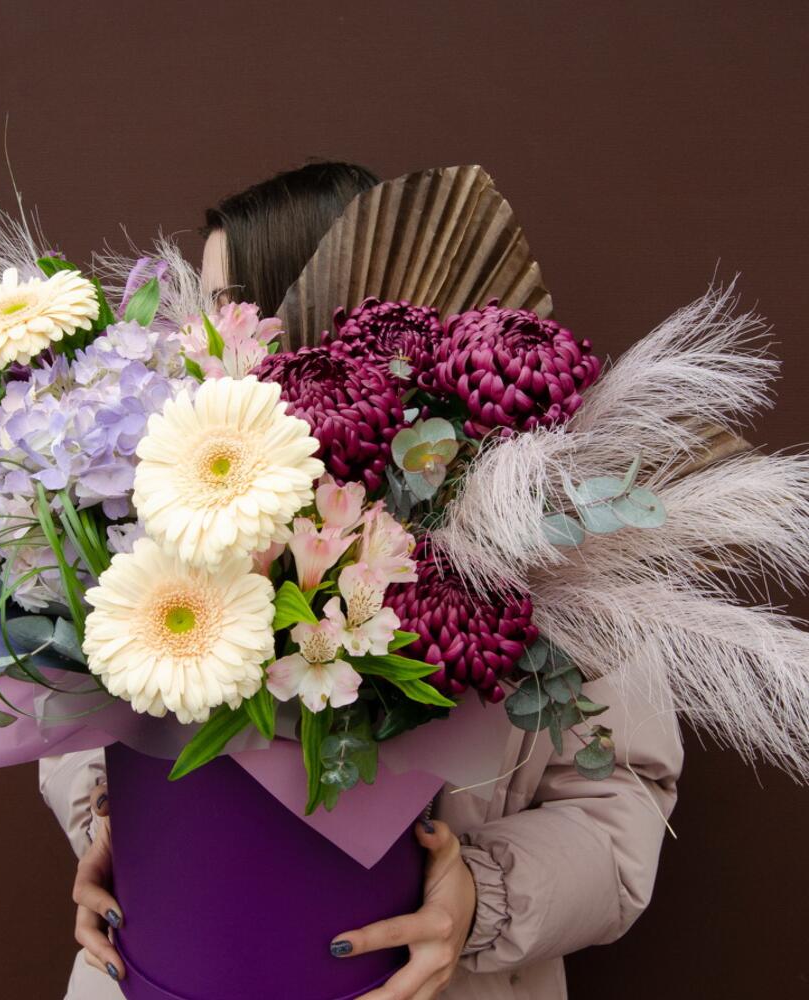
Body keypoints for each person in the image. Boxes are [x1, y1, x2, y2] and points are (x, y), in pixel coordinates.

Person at [39, 161, 684, 1000]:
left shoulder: (543, 533)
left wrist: (482, 898)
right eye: (201, 306)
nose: (203, 337)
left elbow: (624, 795)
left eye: (230, 305)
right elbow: (70, 700)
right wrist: (108, 821)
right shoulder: (151, 493)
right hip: (160, 971)